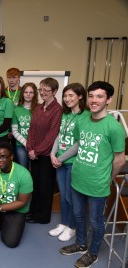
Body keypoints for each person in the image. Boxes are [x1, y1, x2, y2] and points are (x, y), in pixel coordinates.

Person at [60, 81, 126, 268]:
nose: (94, 100)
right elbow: (81, 145)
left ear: (109, 99)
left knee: (96, 222)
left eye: (99, 96)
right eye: (91, 96)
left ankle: (93, 253)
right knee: (79, 215)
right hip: (78, 178)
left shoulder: (114, 127)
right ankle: (81, 244)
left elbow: (120, 160)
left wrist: (108, 178)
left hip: (98, 184)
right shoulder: (82, 120)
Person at [49, 83, 90, 242]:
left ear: (80, 96)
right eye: (65, 96)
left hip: (72, 162)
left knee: (73, 198)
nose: (67, 99)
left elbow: (80, 143)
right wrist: (53, 153)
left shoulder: (85, 116)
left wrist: (60, 158)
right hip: (60, 161)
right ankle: (64, 223)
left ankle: (72, 227)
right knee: (64, 196)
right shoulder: (65, 114)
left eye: (71, 95)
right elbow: (60, 136)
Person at [0, 142, 33, 248]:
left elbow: (22, 202)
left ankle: (7, 221)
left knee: (10, 242)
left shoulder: (24, 174)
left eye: (3, 157)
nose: (0, 160)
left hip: (16, 208)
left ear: (11, 157)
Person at [26, 77, 62, 224]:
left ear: (54, 91)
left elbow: (52, 135)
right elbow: (32, 130)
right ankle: (33, 212)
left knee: (45, 187)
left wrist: (37, 151)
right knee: (35, 185)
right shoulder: (39, 108)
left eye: (46, 90)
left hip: (46, 155)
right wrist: (30, 148)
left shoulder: (57, 110)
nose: (42, 93)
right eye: (41, 89)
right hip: (34, 154)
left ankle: (42, 217)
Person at [11, 82, 39, 169]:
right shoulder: (16, 110)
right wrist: (27, 144)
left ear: (34, 94)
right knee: (23, 170)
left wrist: (32, 146)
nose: (28, 94)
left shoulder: (40, 109)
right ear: (22, 93)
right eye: (26, 92)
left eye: (31, 92)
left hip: (37, 146)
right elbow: (14, 131)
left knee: (35, 171)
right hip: (21, 145)